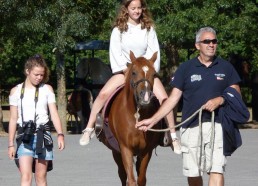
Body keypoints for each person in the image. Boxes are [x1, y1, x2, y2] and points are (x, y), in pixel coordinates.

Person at [135, 27, 249, 186]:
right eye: (207, 41)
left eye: (214, 41)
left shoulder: (225, 67)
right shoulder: (186, 68)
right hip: (191, 127)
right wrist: (152, 120)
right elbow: (173, 99)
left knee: (217, 169)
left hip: (218, 126)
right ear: (197, 45)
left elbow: (236, 93)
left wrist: (221, 100)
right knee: (193, 172)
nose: (211, 45)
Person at [79, 0, 181, 154]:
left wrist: (146, 68)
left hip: (145, 71)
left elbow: (155, 51)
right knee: (103, 94)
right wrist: (126, 69)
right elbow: (115, 52)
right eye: (133, 8)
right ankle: (89, 128)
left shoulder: (149, 28)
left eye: (139, 8)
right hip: (125, 71)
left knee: (164, 98)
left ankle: (172, 136)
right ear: (126, 9)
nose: (137, 11)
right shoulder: (118, 30)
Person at [8, 54, 65, 186]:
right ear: (27, 71)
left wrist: (60, 134)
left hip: (43, 137)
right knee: (26, 177)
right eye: (36, 74)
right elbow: (13, 118)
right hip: (24, 137)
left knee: (41, 177)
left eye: (41, 75)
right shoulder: (15, 91)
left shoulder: (47, 89)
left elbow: (54, 114)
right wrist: (10, 144)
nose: (39, 78)